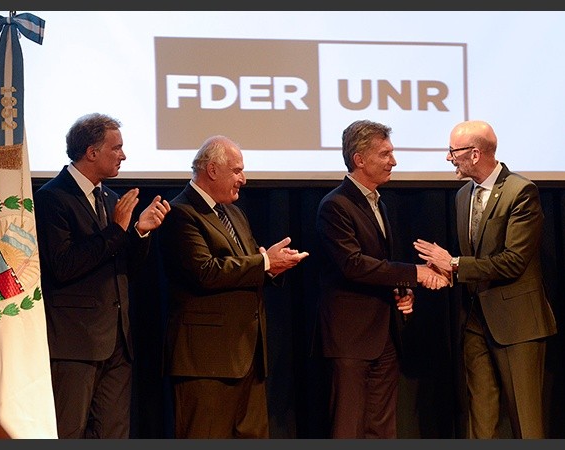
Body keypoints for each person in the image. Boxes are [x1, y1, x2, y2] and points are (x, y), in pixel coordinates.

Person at [413, 119, 557, 439]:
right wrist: (447, 272)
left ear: (475, 154)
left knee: (525, 422)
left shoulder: (521, 192)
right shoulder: (463, 195)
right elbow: (475, 259)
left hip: (516, 324)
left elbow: (513, 262)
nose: (449, 158)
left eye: (453, 151)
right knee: (480, 420)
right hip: (475, 321)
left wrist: (453, 263)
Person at [159, 134, 309, 439]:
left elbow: (249, 265)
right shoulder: (181, 213)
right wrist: (265, 262)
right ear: (212, 170)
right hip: (206, 361)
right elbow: (205, 271)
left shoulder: (234, 213)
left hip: (248, 356)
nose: (244, 179)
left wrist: (273, 266)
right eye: (237, 170)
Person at [34, 113, 171, 438]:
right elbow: (64, 265)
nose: (123, 156)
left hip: (117, 342)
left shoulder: (110, 199)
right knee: (68, 431)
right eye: (116, 148)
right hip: (74, 343)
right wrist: (116, 230)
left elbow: (126, 269)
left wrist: (138, 232)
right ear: (91, 152)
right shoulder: (52, 198)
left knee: (113, 434)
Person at [315, 119, 449, 439]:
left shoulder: (380, 203)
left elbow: (382, 263)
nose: (394, 161)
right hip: (350, 339)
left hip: (384, 336)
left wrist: (403, 289)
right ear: (359, 159)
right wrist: (415, 273)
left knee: (381, 429)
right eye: (385, 153)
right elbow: (354, 265)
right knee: (348, 428)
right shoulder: (335, 205)